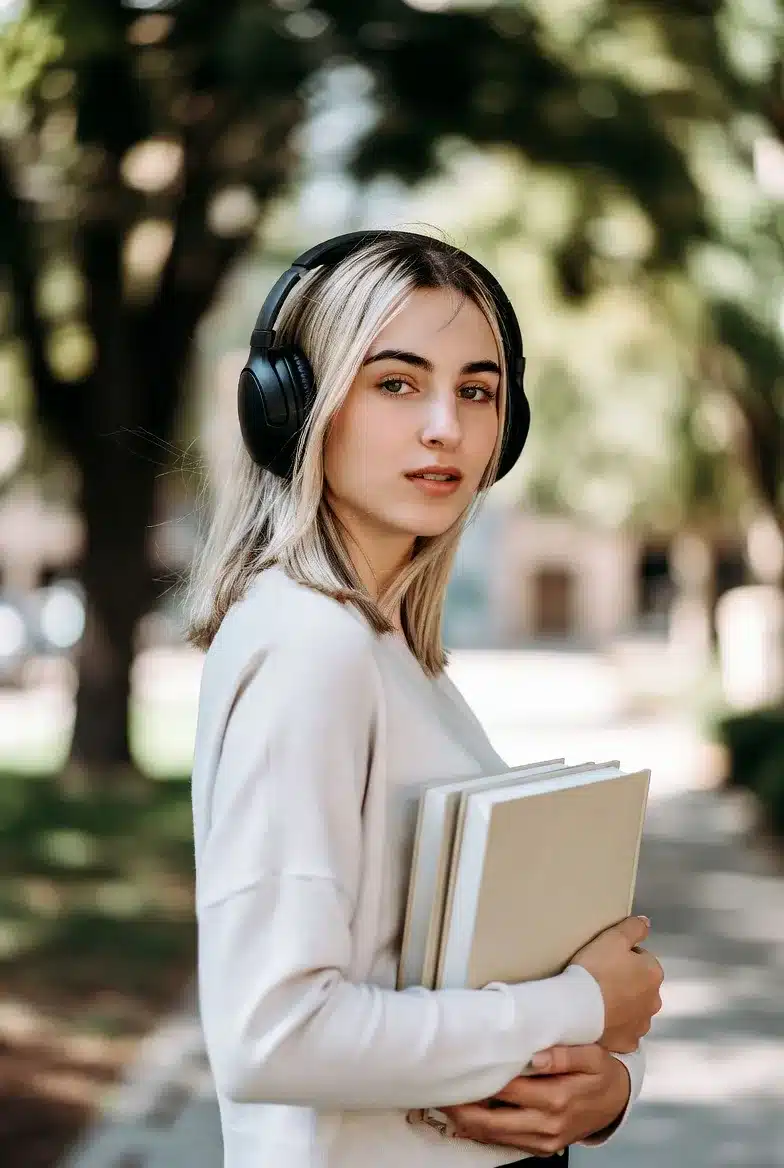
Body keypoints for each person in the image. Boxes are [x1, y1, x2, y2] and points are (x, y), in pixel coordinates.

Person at [185, 229, 663, 1168]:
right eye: (396, 383)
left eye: (477, 392)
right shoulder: (311, 648)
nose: (445, 427)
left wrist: (599, 1091)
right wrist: (580, 1005)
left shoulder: (389, 650)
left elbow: (440, 984)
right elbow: (272, 1035)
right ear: (295, 408)